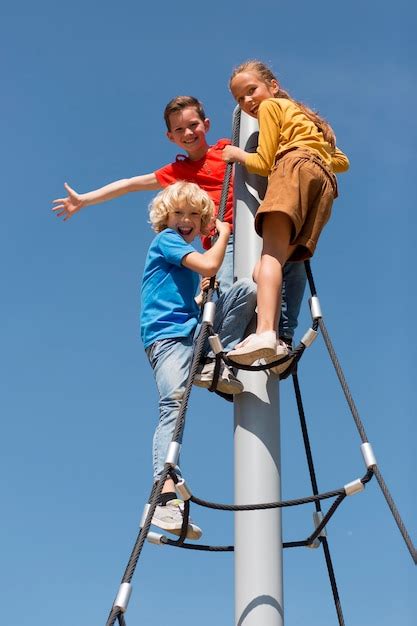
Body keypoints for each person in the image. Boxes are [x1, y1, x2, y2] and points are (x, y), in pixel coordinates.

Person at [52, 95, 306, 347]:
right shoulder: (177, 172)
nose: (188, 132)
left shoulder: (227, 150)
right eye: (179, 129)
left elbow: (267, 153)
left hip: (258, 228)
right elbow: (129, 184)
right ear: (170, 137)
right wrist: (85, 199)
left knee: (294, 264)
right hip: (222, 240)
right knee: (233, 292)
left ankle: (283, 336)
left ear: (206, 124)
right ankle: (223, 352)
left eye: (193, 125)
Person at [141, 182, 257, 539]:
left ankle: (212, 364)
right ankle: (163, 497)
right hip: (167, 338)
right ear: (166, 218)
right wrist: (222, 234)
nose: (186, 220)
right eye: (179, 214)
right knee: (172, 406)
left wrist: (201, 294)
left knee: (245, 291)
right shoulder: (166, 241)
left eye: (194, 214)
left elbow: (195, 286)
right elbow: (210, 262)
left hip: (190, 332)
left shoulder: (181, 252)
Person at [222, 60, 349, 366]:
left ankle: (266, 331)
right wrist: (315, 155)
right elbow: (342, 161)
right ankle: (278, 339)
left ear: (273, 86)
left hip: (291, 170)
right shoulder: (306, 117)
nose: (247, 101)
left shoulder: (270, 109)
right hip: (323, 184)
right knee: (269, 268)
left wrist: (237, 153)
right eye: (240, 99)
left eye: (251, 91)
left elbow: (264, 163)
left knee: (269, 258)